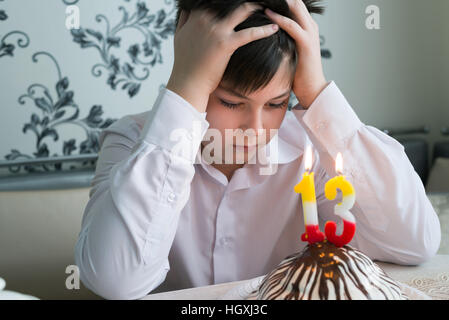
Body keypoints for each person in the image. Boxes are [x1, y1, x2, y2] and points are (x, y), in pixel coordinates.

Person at [74, 0, 441, 300]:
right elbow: (115, 281)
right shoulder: (132, 142)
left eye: (276, 103)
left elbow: (415, 243)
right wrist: (184, 89)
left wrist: (316, 91)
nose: (257, 129)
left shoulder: (311, 151)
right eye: (231, 103)